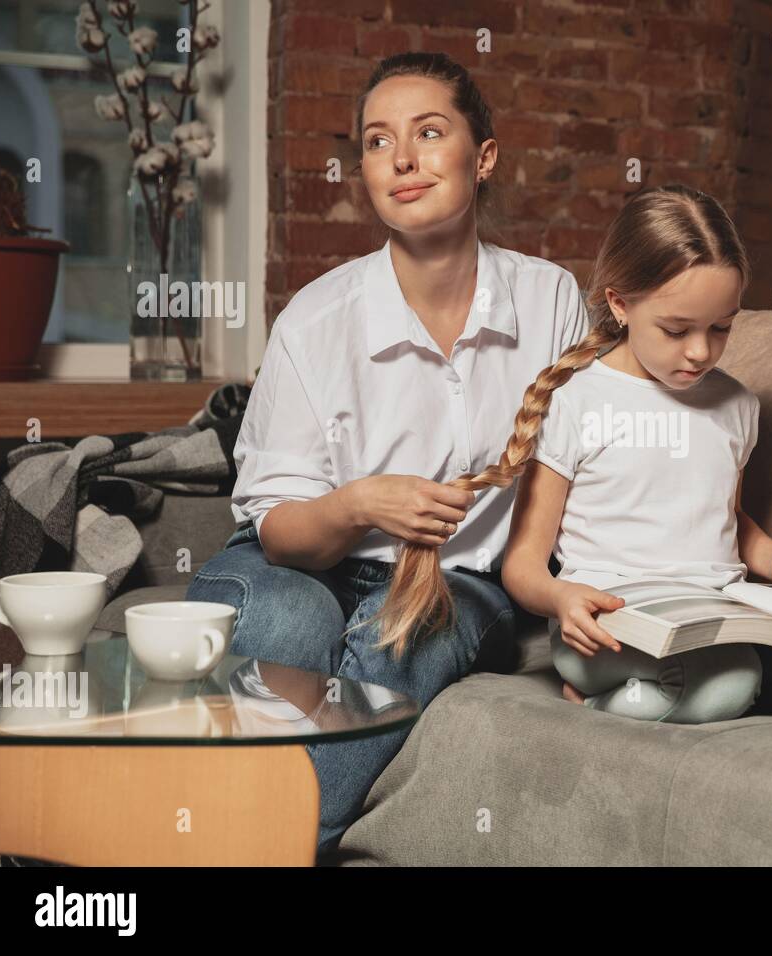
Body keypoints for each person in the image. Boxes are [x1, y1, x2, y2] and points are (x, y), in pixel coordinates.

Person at [185, 52, 587, 858]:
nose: (401, 159)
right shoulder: (316, 317)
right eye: (377, 141)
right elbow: (280, 532)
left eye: (429, 133)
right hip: (296, 559)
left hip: (457, 580)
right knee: (293, 619)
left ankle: (228, 850)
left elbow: (584, 483)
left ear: (484, 157)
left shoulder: (549, 302)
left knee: (413, 633)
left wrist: (583, 636)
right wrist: (360, 503)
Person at [381, 184, 772, 725]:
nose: (700, 351)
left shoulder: (734, 403)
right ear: (620, 305)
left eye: (721, 328)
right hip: (610, 623)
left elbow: (726, 520)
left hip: (719, 614)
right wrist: (561, 599)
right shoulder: (576, 401)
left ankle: (720, 687)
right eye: (676, 329)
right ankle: (600, 703)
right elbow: (524, 564)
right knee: (725, 682)